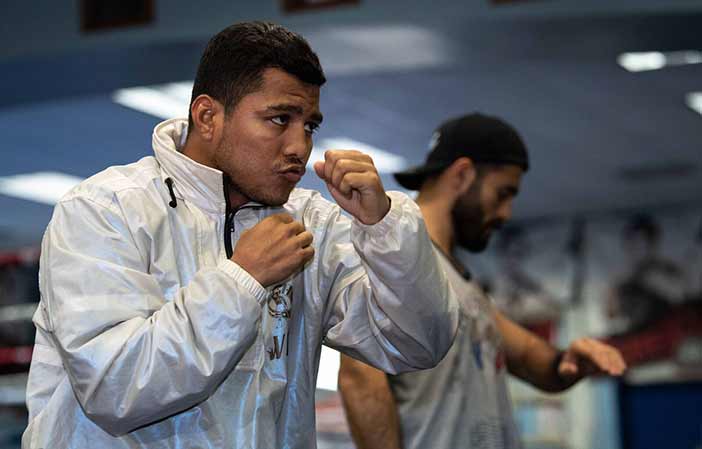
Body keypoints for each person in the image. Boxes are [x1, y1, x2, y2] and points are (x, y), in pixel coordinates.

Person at [23, 22, 459, 449]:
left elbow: (416, 344)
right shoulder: (105, 210)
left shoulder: (312, 227)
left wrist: (384, 228)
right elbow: (113, 389)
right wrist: (241, 280)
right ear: (208, 116)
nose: (299, 147)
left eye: (309, 125)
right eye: (279, 119)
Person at [338, 113, 627, 449]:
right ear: (462, 175)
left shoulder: (458, 282)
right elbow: (360, 378)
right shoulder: (396, 269)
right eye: (502, 193)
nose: (505, 212)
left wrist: (569, 361)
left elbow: (531, 357)